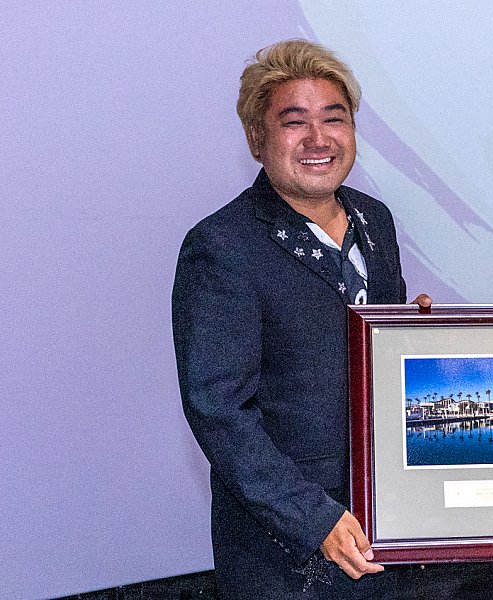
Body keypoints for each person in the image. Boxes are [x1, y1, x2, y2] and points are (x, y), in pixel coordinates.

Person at [172, 39, 428, 599]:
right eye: (295, 122)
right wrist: (316, 519)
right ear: (257, 139)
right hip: (287, 555)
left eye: (334, 118)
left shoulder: (374, 222)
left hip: (391, 533)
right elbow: (219, 410)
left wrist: (419, 339)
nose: (319, 138)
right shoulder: (221, 246)